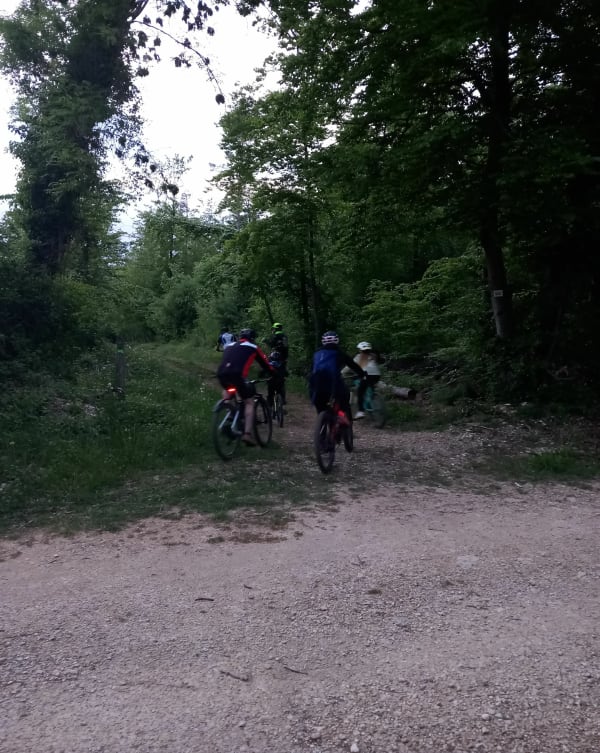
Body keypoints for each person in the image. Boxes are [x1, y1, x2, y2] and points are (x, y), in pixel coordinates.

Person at [216, 328, 275, 445]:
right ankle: (247, 435)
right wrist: (274, 374)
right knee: (249, 402)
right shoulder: (253, 347)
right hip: (237, 375)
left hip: (222, 373)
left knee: (228, 390)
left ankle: (229, 410)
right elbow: (266, 365)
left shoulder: (230, 345)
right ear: (252, 338)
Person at [308, 331, 367, 419]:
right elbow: (352, 365)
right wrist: (362, 374)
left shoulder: (317, 353)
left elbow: (312, 369)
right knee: (345, 395)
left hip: (316, 383)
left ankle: (322, 420)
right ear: (337, 341)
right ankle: (344, 417)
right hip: (333, 382)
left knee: (320, 404)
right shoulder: (339, 353)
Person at [346, 341, 382, 418]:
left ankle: (361, 411)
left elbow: (349, 366)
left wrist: (341, 373)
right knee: (370, 388)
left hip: (367, 375)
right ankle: (373, 401)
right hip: (376, 375)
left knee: (360, 392)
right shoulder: (373, 356)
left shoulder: (359, 356)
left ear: (360, 349)